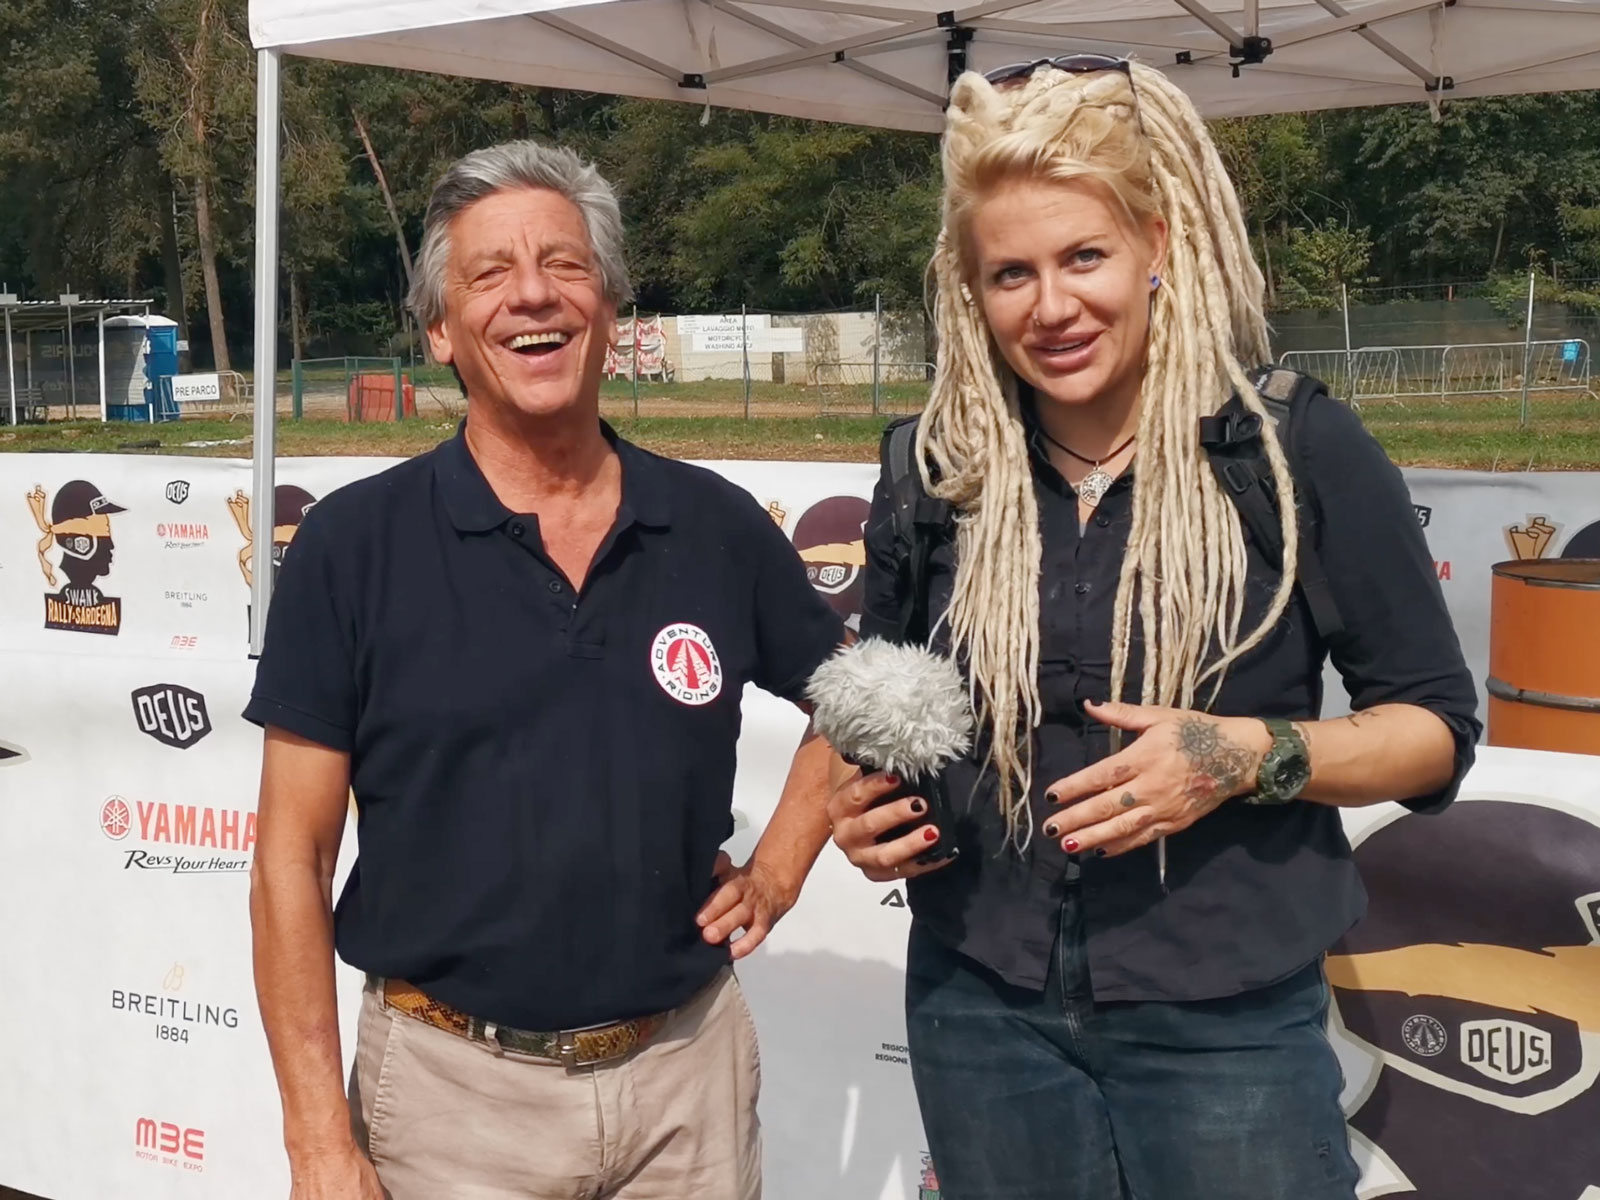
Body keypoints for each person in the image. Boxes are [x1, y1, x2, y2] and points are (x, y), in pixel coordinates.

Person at [824, 58, 1480, 1200]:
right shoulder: (935, 468)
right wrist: (857, 813)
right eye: (1009, 273)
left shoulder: (1288, 453)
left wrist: (1241, 757)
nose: (1051, 305)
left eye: (1085, 256)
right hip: (979, 1001)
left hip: (1223, 1018)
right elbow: (876, 698)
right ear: (968, 292)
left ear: (1158, 244)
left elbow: (1433, 731)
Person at [247, 140, 844, 1200]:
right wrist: (318, 1141)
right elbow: (290, 863)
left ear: (610, 308)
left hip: (685, 1087)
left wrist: (785, 862)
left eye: (566, 266)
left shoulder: (711, 526)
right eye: (489, 274)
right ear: (439, 329)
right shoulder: (352, 546)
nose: (534, 294)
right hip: (447, 1104)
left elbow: (854, 695)